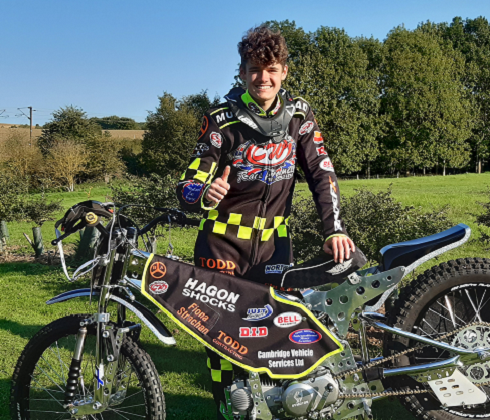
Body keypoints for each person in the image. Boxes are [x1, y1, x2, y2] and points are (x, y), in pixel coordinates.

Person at [176, 25, 356, 420]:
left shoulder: (299, 116)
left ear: (284, 72)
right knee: (221, 341)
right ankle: (230, 411)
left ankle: (274, 408)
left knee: (274, 336)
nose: (264, 78)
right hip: (221, 247)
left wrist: (334, 229)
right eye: (255, 69)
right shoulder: (221, 120)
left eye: (271, 69)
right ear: (241, 73)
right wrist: (203, 193)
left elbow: (322, 174)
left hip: (275, 248)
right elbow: (189, 181)